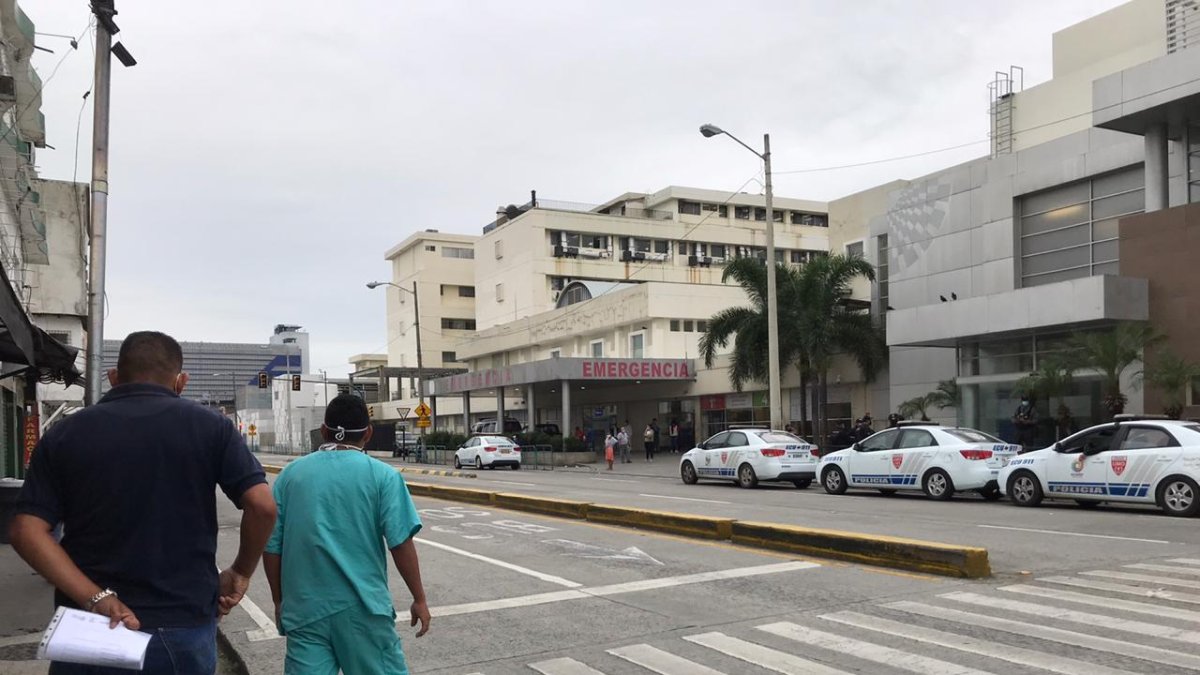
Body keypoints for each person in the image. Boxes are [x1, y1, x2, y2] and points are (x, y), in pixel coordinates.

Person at [10, 331, 277, 674]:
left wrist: (96, 597)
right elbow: (263, 506)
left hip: (90, 631)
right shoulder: (213, 428)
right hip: (182, 627)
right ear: (181, 382)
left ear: (113, 378)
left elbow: (25, 530)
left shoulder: (65, 433)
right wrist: (240, 572)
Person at [264, 393, 430, 674]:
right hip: (365, 612)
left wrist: (280, 601)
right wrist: (419, 599)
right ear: (368, 433)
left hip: (305, 613)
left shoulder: (290, 477)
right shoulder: (383, 476)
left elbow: (272, 548)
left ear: (324, 432)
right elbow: (400, 543)